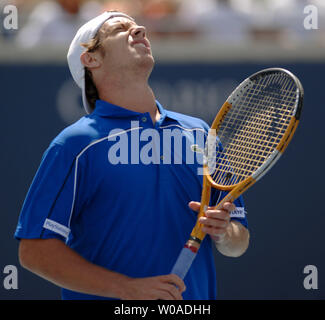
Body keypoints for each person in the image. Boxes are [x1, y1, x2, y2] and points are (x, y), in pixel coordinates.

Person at [15, 11, 249, 300]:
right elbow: (34, 251)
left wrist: (225, 233)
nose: (139, 29)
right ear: (91, 59)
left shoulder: (201, 133)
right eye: (119, 29)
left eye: (137, 26)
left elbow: (239, 241)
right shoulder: (75, 144)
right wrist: (127, 289)